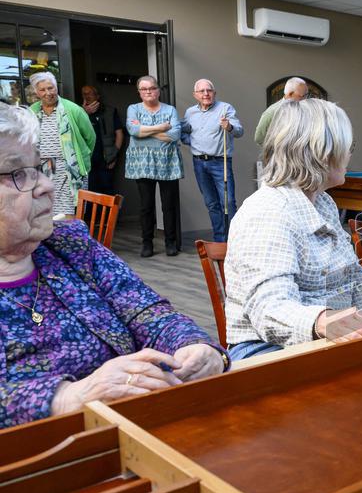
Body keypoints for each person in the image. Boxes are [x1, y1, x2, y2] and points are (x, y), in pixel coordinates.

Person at [0, 102, 227, 429]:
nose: (46, 186)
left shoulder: (70, 245)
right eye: (18, 174)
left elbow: (147, 312)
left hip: (137, 432)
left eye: (39, 168)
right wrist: (69, 397)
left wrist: (194, 346)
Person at [225, 99, 362, 361]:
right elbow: (269, 308)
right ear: (320, 152)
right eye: (347, 146)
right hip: (267, 350)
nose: (349, 154)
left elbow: (357, 281)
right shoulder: (268, 211)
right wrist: (322, 321)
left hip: (328, 343)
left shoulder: (324, 202)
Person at [124, 75, 183, 258]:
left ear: (158, 90)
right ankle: (147, 243)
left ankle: (170, 242)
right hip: (142, 163)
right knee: (146, 206)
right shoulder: (133, 109)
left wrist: (145, 131)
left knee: (169, 205)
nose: (148, 91)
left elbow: (175, 135)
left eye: (152, 88)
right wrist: (162, 127)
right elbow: (133, 130)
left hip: (168, 162)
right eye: (144, 89)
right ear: (139, 92)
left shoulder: (170, 109)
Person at [181, 79, 243, 242]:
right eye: (201, 91)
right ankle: (220, 240)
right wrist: (192, 141)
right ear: (195, 95)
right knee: (211, 203)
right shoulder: (190, 113)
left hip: (220, 162)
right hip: (199, 163)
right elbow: (182, 130)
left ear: (214, 93)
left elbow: (239, 131)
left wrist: (229, 126)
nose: (206, 94)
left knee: (228, 203)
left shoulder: (225, 108)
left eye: (209, 90)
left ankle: (234, 241)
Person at [27, 72, 95, 215]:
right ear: (37, 92)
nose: (48, 93)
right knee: (45, 210)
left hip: (68, 166)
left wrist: (81, 157)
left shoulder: (73, 109)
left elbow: (90, 138)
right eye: (42, 90)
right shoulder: (32, 111)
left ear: (56, 87)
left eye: (50, 88)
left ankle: (69, 230)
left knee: (68, 211)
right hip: (42, 167)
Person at [80, 85, 123, 197]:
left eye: (89, 93)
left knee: (107, 191)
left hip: (106, 159)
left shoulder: (110, 111)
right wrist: (84, 113)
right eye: (84, 94)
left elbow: (119, 134)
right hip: (87, 161)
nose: (87, 96)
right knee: (89, 192)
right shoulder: (78, 113)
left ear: (97, 96)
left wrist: (114, 156)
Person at [254, 77, 308, 147]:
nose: (305, 99)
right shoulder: (272, 112)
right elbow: (259, 138)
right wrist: (279, 148)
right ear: (290, 94)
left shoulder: (306, 111)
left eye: (307, 95)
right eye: (302, 96)